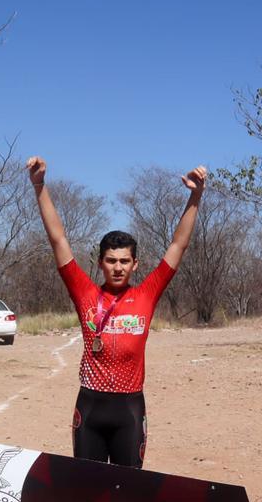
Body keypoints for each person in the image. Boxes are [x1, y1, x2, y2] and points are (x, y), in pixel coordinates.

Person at [28, 156, 205, 468]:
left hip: (130, 410)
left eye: (124, 261)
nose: (118, 267)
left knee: (130, 491)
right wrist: (40, 185)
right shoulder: (85, 293)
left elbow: (178, 246)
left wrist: (196, 196)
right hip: (90, 406)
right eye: (111, 261)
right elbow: (58, 239)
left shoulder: (146, 294)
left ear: (135, 264)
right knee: (87, 490)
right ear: (100, 263)